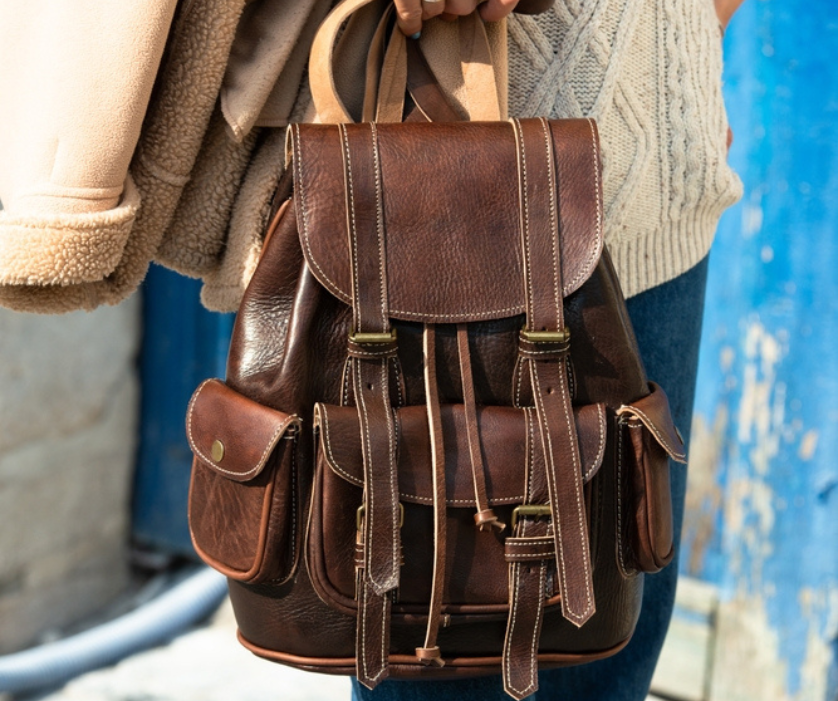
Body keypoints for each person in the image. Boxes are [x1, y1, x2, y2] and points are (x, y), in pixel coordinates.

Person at [348, 0, 744, 699]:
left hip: (652, 160)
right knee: (434, 626)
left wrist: (697, 28)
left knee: (607, 647)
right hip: (446, 200)